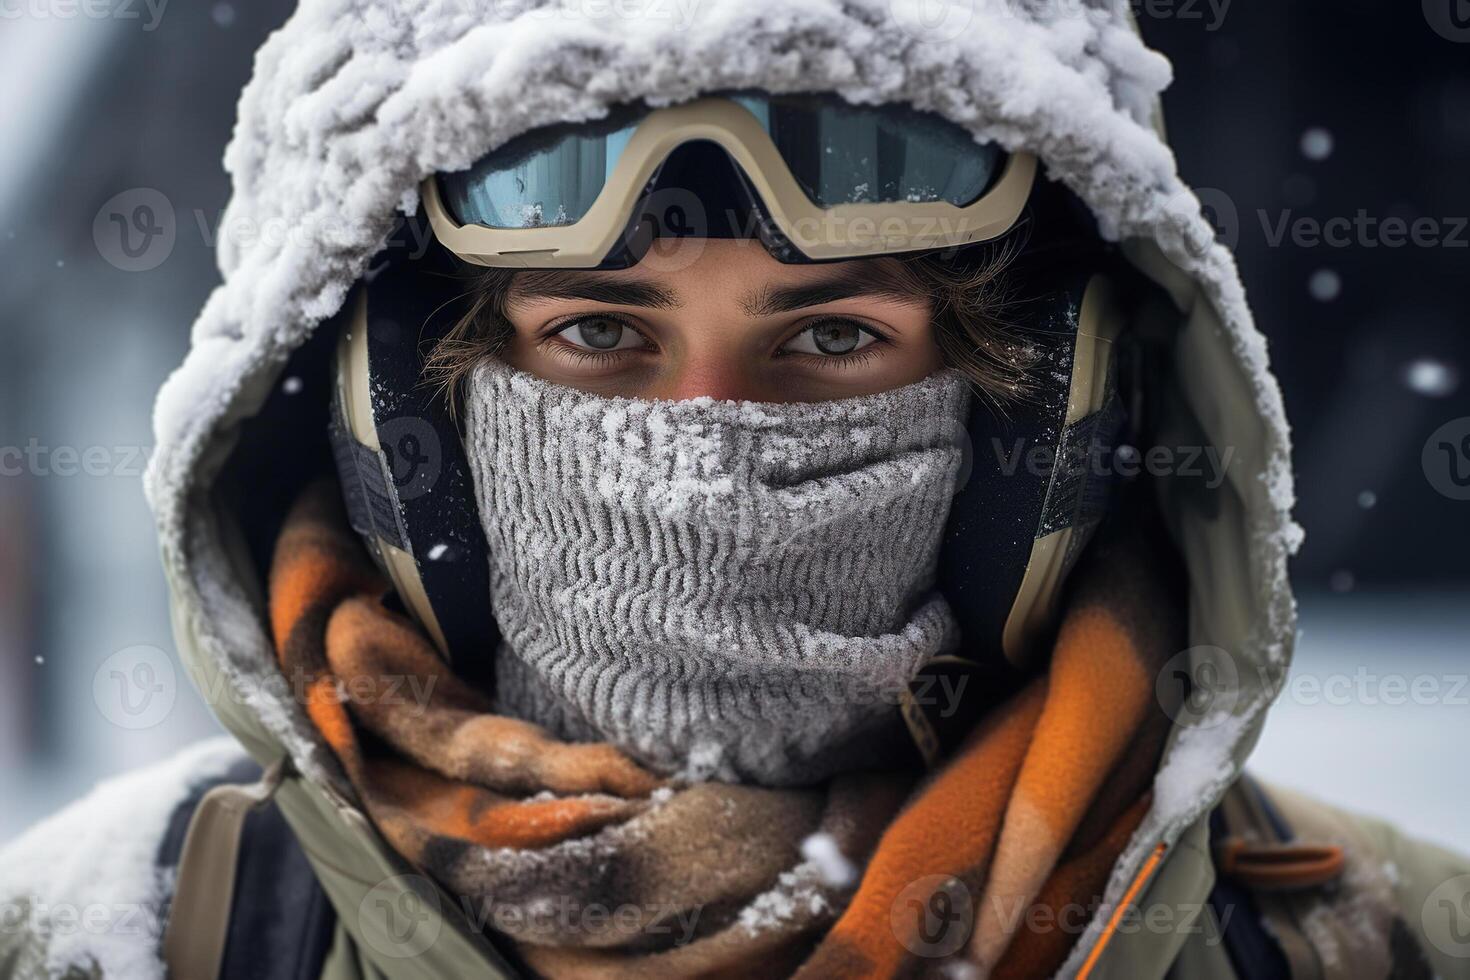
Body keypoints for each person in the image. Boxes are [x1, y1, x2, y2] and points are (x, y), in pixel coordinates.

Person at [2, 2, 1466, 978]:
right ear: (401, 430)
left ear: (1048, 439)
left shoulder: (1382, 939)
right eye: (597, 335)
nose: (706, 446)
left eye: (833, 336)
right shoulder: (109, 932)